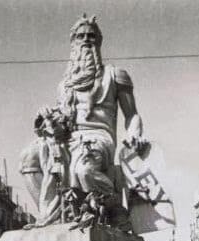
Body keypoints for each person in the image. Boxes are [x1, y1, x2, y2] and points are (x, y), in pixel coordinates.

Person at [20, 14, 145, 226]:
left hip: (100, 137)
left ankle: (115, 206)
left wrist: (134, 134)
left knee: (84, 171)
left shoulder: (116, 75)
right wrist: (46, 118)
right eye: (80, 36)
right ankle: (51, 215)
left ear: (99, 41)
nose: (86, 39)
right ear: (74, 43)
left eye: (91, 36)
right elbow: (63, 121)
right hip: (69, 138)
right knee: (28, 157)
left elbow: (132, 115)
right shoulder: (64, 85)